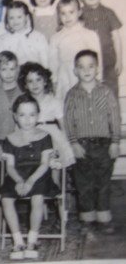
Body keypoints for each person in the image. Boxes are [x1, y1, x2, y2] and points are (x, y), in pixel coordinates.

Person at [64, 49, 121, 235]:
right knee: (84, 184)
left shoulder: (105, 92)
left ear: (97, 69)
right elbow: (68, 121)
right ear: (75, 71)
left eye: (90, 66)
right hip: (81, 146)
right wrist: (73, 143)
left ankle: (104, 218)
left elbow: (114, 117)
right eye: (81, 67)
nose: (86, 70)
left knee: (103, 182)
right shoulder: (72, 94)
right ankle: (87, 219)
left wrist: (114, 142)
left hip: (104, 145)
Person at [1, 94, 59, 260]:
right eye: (22, 115)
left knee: (37, 197)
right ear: (15, 117)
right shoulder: (10, 139)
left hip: (39, 174)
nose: (27, 120)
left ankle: (32, 240)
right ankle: (18, 240)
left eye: (32, 115)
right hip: (17, 175)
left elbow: (44, 164)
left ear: (38, 116)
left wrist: (30, 181)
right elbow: (10, 166)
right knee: (6, 199)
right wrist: (19, 181)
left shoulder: (44, 136)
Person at [18, 62, 75, 182]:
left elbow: (64, 125)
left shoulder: (54, 101)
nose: (35, 84)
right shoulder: (24, 103)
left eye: (38, 80)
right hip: (31, 136)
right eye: (30, 81)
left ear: (45, 81)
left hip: (52, 137)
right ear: (25, 85)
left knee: (54, 162)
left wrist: (67, 143)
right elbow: (18, 123)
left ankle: (55, 190)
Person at [49, 0, 101, 100]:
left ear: (79, 12)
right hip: (65, 79)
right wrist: (54, 82)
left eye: (71, 12)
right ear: (59, 15)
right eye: (63, 13)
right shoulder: (55, 38)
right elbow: (53, 63)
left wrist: (98, 79)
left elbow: (98, 59)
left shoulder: (89, 34)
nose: (67, 17)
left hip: (86, 77)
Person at [79, 0, 123, 97]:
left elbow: (116, 38)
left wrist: (119, 60)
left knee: (111, 88)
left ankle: (113, 113)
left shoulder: (109, 13)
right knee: (91, 89)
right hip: (88, 61)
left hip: (108, 59)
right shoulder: (79, 14)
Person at [0, 1, 49, 68]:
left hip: (35, 75)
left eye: (19, 17)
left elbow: (45, 62)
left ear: (27, 18)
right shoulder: (2, 40)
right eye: (11, 18)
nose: (15, 21)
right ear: (7, 19)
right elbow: (1, 65)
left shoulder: (39, 37)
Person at [0, 51, 23, 142]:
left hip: (21, 139)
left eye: (12, 69)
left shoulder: (23, 92)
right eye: (4, 69)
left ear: (17, 69)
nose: (8, 73)